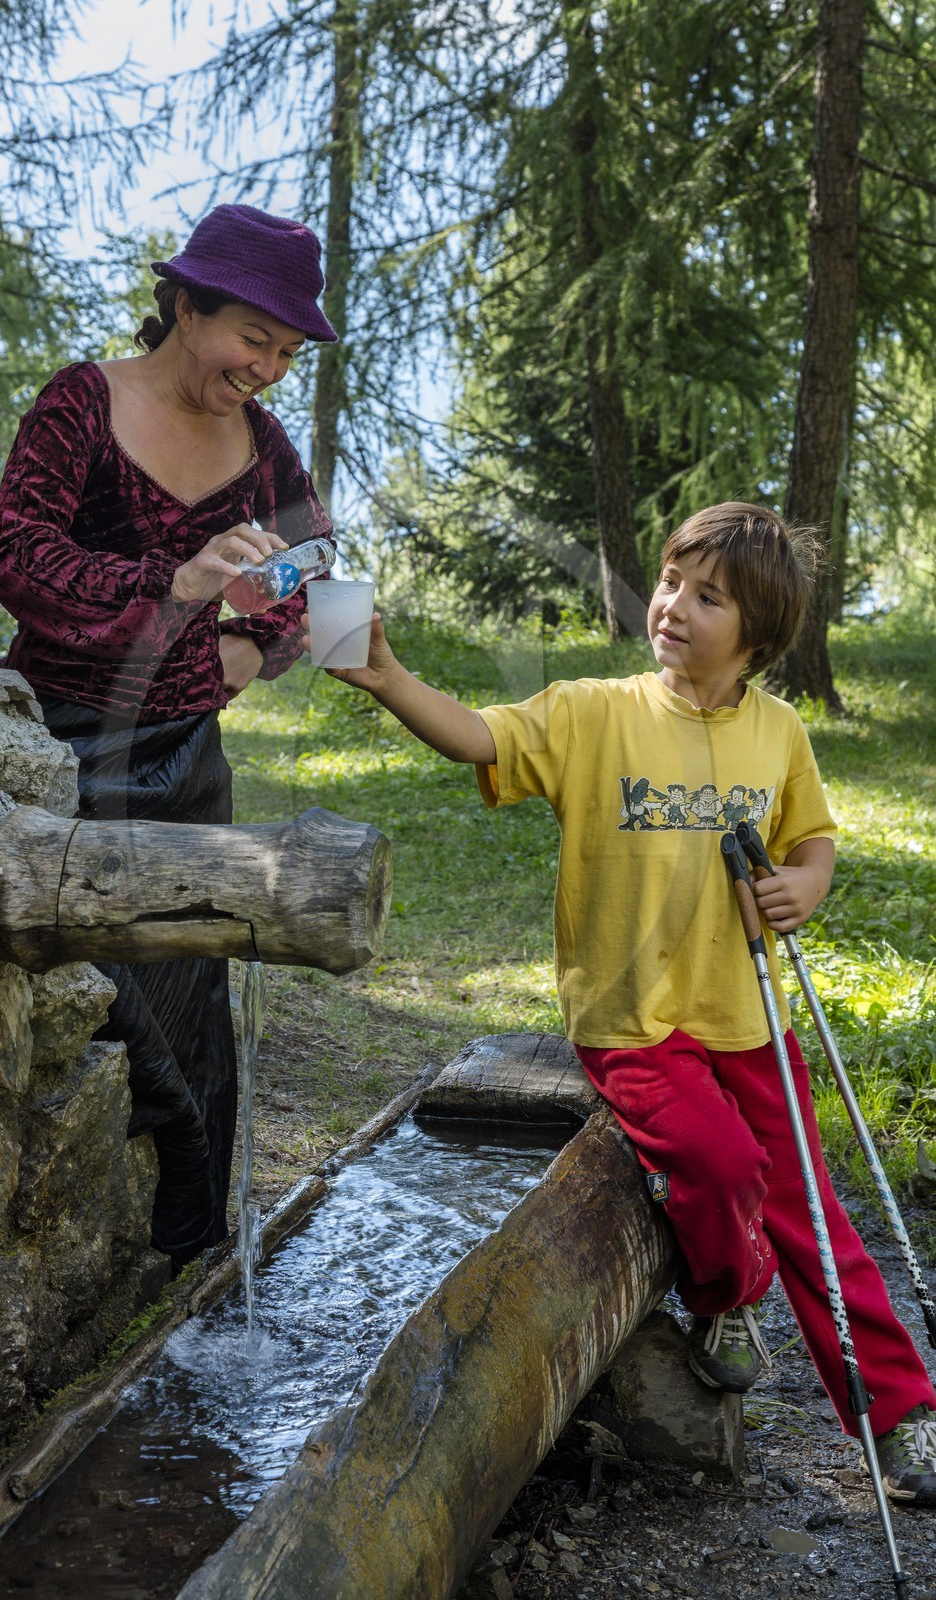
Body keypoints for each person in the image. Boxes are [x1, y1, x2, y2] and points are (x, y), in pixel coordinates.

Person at [311, 501, 936, 1502]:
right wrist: (389, 678)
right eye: (671, 582)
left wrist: (807, 884)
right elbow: (478, 736)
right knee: (718, 1162)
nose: (673, 605)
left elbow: (812, 837)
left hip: (747, 1016)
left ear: (759, 635)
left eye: (708, 596)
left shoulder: (779, 731)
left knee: (816, 1215)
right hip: (631, 1020)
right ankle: (731, 1291)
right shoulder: (592, 711)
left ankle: (898, 1416)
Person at [0, 203, 337, 1268]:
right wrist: (173, 584)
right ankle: (74, 1247)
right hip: (63, 743)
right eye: (253, 338)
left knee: (189, 1000)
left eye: (286, 352)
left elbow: (314, 561)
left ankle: (186, 1253)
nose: (266, 369)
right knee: (97, 991)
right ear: (184, 306)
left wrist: (251, 650)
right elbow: (19, 557)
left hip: (188, 760)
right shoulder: (82, 402)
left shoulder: (264, 447)